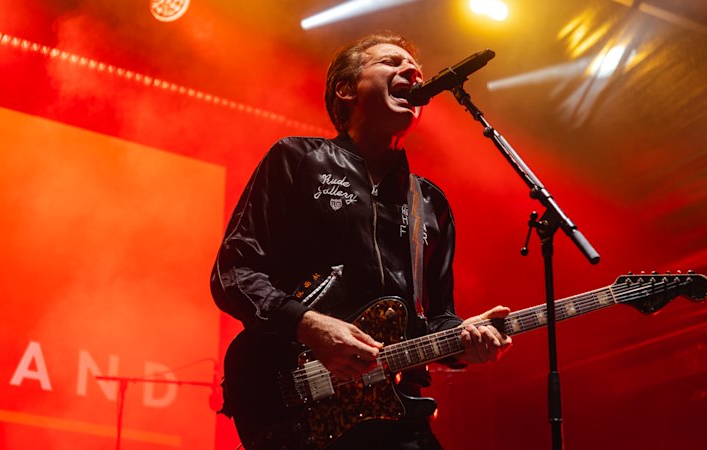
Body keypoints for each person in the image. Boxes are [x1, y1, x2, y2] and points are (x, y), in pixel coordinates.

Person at [211, 32, 512, 450]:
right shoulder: (298, 159)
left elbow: (437, 318)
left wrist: (465, 341)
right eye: (391, 62)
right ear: (346, 88)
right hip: (296, 407)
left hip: (395, 412)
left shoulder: (430, 203)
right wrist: (307, 324)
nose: (412, 71)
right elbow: (235, 272)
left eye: (416, 68)